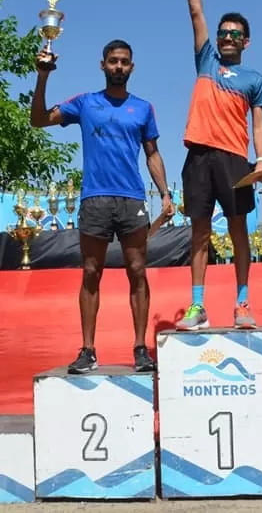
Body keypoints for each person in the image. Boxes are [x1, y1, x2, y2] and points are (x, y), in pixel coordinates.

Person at [29, 40, 172, 374]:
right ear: (103, 65)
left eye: (124, 62)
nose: (118, 66)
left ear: (132, 67)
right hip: (95, 198)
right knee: (91, 272)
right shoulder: (85, 103)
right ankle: (88, 350)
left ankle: (139, 348)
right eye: (113, 61)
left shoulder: (144, 108)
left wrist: (165, 192)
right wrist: (42, 76)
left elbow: (152, 153)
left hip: (132, 198)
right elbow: (38, 120)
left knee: (137, 271)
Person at [175, 0, 262, 331]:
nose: (228, 37)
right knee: (199, 233)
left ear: (246, 42)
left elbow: (259, 124)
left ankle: (242, 303)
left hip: (234, 158)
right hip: (198, 155)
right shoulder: (206, 61)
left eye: (236, 34)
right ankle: (197, 307)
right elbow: (197, 12)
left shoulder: (254, 79)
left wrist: (261, 159)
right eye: (224, 33)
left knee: (238, 231)